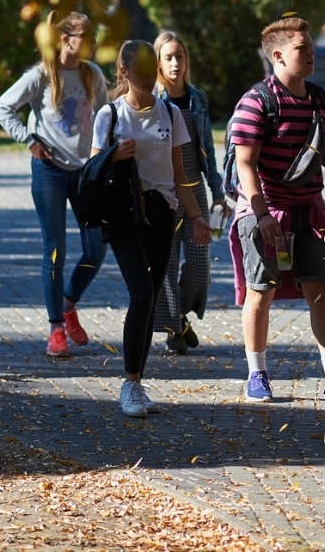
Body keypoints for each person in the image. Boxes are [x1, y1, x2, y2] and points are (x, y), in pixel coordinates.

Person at [229, 16, 325, 406]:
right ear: (278, 55)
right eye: (302, 47)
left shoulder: (321, 99)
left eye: (311, 46)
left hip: (310, 211)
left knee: (321, 291)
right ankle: (256, 374)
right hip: (265, 212)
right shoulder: (256, 101)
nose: (312, 52)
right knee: (261, 291)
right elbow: (245, 164)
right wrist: (261, 215)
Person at [90, 40, 212, 418]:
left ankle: (138, 384)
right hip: (125, 214)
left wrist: (196, 217)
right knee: (141, 294)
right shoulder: (109, 116)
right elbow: (92, 170)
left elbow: (180, 176)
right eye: (137, 65)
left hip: (162, 212)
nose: (144, 70)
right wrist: (114, 155)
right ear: (124, 71)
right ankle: (128, 384)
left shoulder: (171, 114)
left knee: (153, 294)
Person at [0, 10, 109, 356]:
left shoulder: (93, 75)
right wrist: (29, 139)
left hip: (86, 173)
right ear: (65, 39)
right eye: (85, 36)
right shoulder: (41, 76)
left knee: (96, 248)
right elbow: (2, 108)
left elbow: (106, 117)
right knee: (55, 248)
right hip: (50, 173)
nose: (91, 43)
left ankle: (68, 304)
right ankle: (56, 329)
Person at [153, 30, 226, 353]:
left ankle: (178, 316)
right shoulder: (152, 101)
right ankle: (174, 328)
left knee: (200, 264)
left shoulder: (197, 98)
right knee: (166, 264)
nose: (174, 63)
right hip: (165, 191)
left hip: (195, 187)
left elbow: (206, 146)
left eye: (179, 56)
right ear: (157, 61)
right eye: (167, 57)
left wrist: (217, 189)